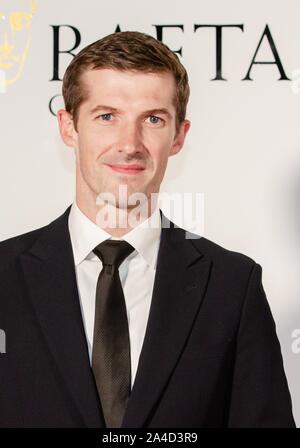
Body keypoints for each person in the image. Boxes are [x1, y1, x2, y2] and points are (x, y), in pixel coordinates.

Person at [0, 31, 295, 428]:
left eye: (153, 119)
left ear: (178, 136)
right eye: (107, 116)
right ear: (69, 127)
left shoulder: (232, 286)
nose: (129, 143)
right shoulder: (3, 276)